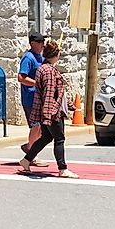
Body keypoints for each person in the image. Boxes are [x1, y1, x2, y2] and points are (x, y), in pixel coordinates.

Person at [18, 40, 79, 178]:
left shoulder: (42, 68)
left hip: (44, 111)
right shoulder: (50, 71)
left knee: (46, 137)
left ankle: (26, 160)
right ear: (56, 55)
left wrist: (68, 105)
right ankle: (62, 168)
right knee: (59, 139)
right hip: (52, 112)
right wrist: (50, 113)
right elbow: (50, 94)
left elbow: (56, 93)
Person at [18, 32, 48, 165]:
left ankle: (29, 147)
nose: (43, 45)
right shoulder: (28, 58)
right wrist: (37, 83)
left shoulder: (41, 58)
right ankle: (31, 154)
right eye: (40, 42)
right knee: (35, 126)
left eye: (43, 42)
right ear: (32, 43)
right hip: (30, 98)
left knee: (42, 129)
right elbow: (21, 77)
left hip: (40, 98)